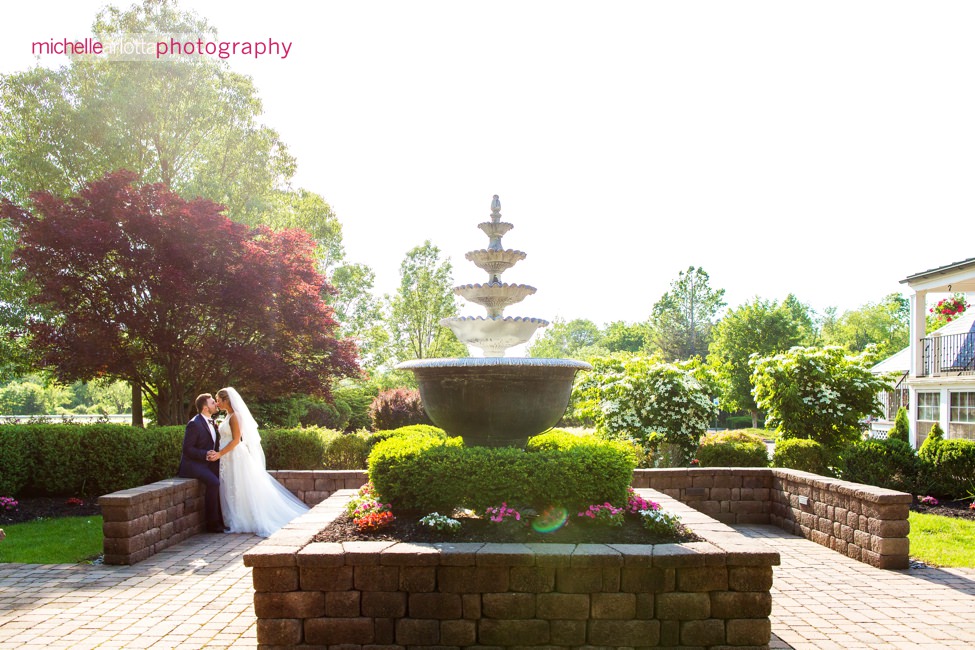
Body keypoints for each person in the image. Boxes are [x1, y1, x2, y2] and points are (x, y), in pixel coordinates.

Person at [208, 387, 309, 537]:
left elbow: (236, 440)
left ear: (226, 400)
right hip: (226, 458)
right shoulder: (228, 416)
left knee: (238, 486)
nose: (217, 403)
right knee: (231, 486)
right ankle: (234, 518)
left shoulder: (235, 416)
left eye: (218, 400)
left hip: (235, 456)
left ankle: (242, 519)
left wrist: (220, 454)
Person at [178, 393, 225, 533]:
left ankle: (224, 519)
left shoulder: (212, 421)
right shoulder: (194, 423)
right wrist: (204, 454)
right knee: (214, 482)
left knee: (225, 478)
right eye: (212, 403)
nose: (215, 404)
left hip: (207, 463)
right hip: (193, 465)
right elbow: (187, 449)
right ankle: (212, 524)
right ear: (205, 408)